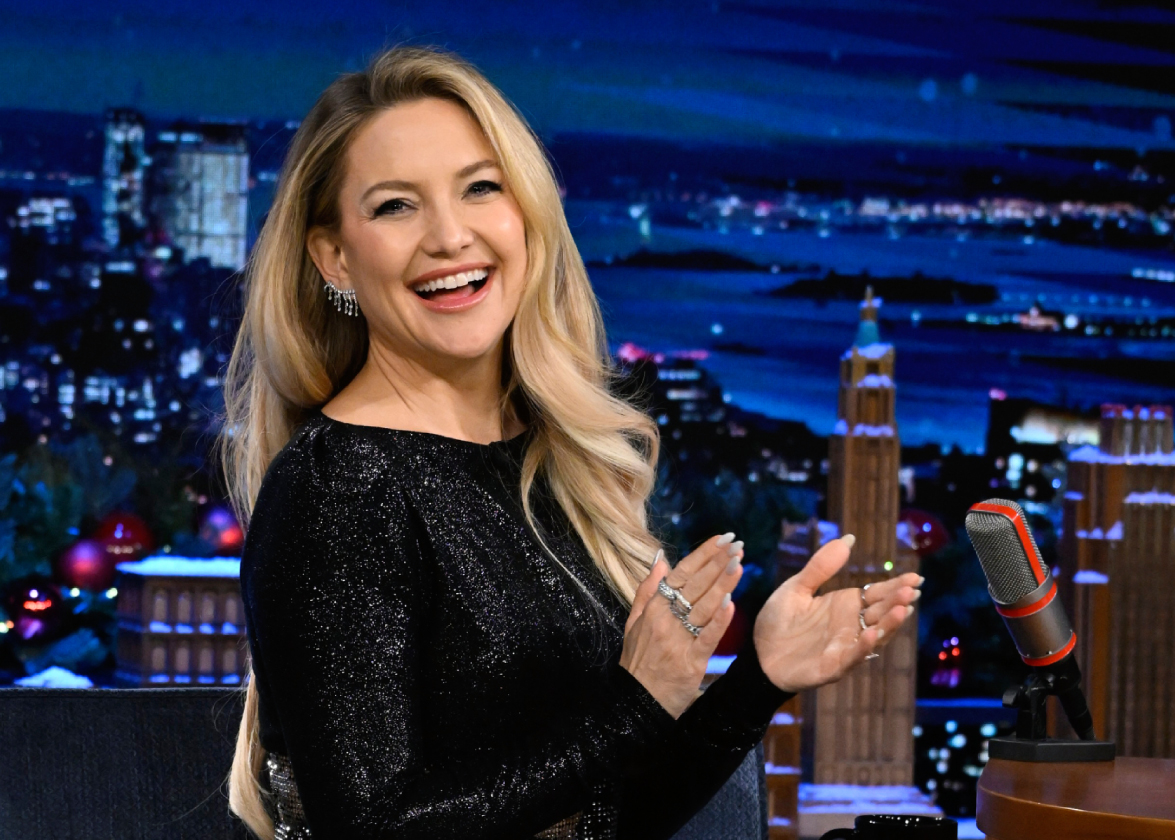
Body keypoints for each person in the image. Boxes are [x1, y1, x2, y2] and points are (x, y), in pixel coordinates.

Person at [220, 46, 920, 840]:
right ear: (335, 257)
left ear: (527, 214)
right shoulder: (339, 488)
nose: (450, 236)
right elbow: (377, 829)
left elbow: (603, 816)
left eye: (480, 188)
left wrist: (758, 680)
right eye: (395, 206)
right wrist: (634, 705)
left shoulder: (555, 462)